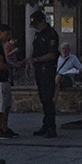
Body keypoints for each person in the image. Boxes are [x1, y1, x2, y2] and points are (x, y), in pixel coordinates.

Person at [28, 9, 60, 137]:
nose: (36, 27)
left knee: (48, 99)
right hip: (39, 70)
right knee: (43, 99)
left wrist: (36, 59)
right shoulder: (38, 34)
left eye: (37, 24)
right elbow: (34, 48)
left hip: (47, 70)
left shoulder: (51, 34)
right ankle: (45, 125)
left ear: (43, 21)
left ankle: (51, 128)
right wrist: (30, 60)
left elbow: (52, 54)